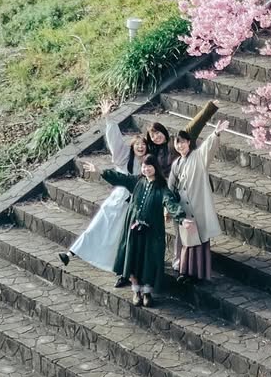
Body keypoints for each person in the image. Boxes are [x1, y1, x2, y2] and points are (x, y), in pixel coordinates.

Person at [58, 101, 148, 281]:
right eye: (137, 144)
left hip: (132, 206)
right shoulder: (125, 158)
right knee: (97, 227)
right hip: (117, 200)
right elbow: (115, 141)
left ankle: (121, 270)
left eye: (143, 145)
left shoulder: (147, 163)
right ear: (133, 146)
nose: (140, 147)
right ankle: (71, 253)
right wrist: (108, 118)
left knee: (119, 237)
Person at [91, 155, 185, 308]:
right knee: (132, 256)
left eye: (149, 166)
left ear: (155, 167)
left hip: (152, 231)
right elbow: (120, 178)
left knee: (149, 258)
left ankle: (147, 292)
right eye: (143, 166)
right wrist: (101, 171)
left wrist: (181, 217)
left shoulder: (162, 187)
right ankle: (136, 290)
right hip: (133, 227)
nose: (146, 169)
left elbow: (170, 202)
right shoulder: (136, 181)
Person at [168, 117, 230, 282]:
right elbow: (170, 187)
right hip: (184, 206)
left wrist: (215, 133)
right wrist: (168, 207)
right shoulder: (176, 164)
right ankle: (185, 272)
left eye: (182, 142)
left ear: (189, 142)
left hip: (198, 205)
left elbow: (208, 148)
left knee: (199, 239)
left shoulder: (198, 157)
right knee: (187, 240)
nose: (180, 145)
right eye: (177, 143)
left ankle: (197, 273)